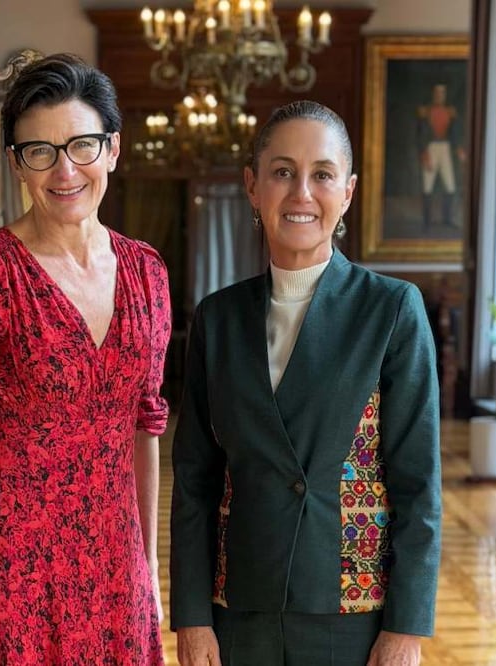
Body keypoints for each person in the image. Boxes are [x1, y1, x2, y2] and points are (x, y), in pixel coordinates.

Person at [170, 101, 442, 666]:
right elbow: (195, 481)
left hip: (352, 608)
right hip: (239, 606)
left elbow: (419, 483)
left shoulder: (391, 309)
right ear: (253, 186)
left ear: (348, 191)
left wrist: (406, 629)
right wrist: (193, 617)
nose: (301, 193)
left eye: (322, 174)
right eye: (282, 172)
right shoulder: (218, 319)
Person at [0, 53, 170, 666]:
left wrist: (149, 564)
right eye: (40, 151)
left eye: (82, 145)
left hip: (116, 562)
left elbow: (146, 427)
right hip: (19, 569)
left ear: (112, 149)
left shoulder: (146, 271)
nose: (65, 170)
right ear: (16, 164)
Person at [416, 83, 464, 227]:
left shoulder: (450, 112)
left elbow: (454, 133)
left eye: (442, 93)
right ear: (433, 94)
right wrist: (424, 153)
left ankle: (447, 219)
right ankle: (427, 222)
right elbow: (421, 134)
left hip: (445, 148)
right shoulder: (425, 112)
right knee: (427, 186)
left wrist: (459, 149)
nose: (440, 95)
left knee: (450, 186)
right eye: (437, 93)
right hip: (431, 147)